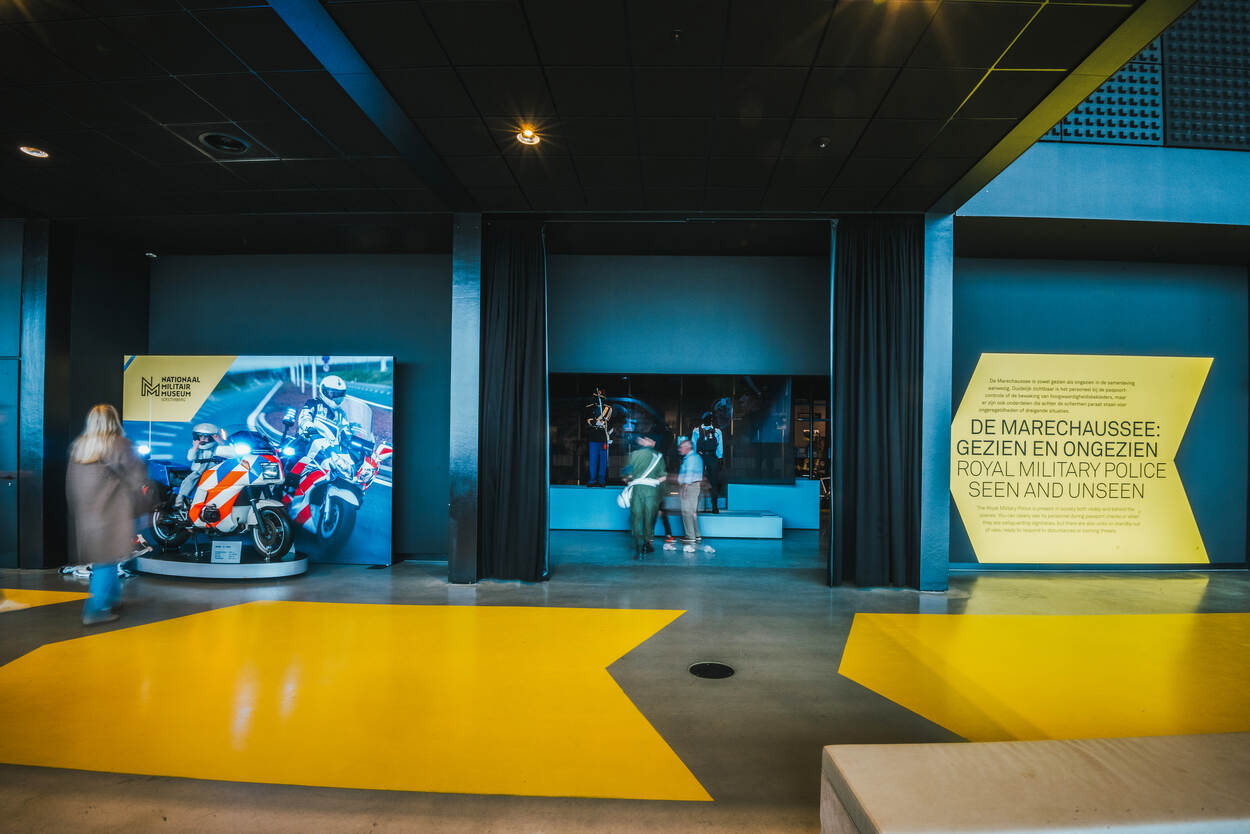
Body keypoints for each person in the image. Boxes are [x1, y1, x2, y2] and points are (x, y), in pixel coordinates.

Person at [66, 404, 147, 625]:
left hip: (88, 515)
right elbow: (137, 479)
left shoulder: (80, 446)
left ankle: (112, 598)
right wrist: (143, 506)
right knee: (106, 561)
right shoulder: (119, 444)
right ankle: (96, 610)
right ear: (114, 421)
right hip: (111, 514)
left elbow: (72, 484)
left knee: (106, 558)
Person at [622, 433, 665, 560]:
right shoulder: (658, 456)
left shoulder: (634, 455)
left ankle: (637, 545)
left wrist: (632, 479)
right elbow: (663, 477)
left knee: (636, 517)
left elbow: (627, 477)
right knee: (649, 517)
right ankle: (647, 544)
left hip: (637, 490)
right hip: (651, 491)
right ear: (652, 443)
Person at [174, 422, 232, 514]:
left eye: (206, 437)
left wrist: (220, 442)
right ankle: (180, 497)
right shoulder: (196, 449)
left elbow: (228, 453)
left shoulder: (216, 448)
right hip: (198, 471)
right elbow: (190, 458)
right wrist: (195, 448)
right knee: (190, 479)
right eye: (201, 436)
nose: (204, 439)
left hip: (213, 471)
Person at [677, 438, 714, 554]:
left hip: (689, 486)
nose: (680, 449)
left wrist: (685, 488)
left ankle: (690, 536)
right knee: (692, 512)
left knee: (686, 511)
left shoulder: (691, 458)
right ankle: (696, 535)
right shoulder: (696, 457)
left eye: (681, 447)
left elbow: (689, 474)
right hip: (695, 486)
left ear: (688, 448)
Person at [691, 413, 724, 513]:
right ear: (703, 419)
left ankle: (714, 506)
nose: (709, 419)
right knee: (697, 481)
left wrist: (720, 458)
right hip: (700, 457)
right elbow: (693, 445)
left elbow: (720, 445)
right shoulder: (696, 431)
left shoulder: (717, 431)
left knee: (714, 481)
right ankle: (695, 505)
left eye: (710, 418)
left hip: (712, 457)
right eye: (707, 418)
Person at [584, 386, 613, 487]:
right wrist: (596, 422)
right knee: (593, 460)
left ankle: (601, 480)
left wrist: (598, 422)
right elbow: (588, 420)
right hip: (593, 437)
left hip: (603, 437)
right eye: (597, 397)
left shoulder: (608, 408)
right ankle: (592, 480)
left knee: (603, 460)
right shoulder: (590, 407)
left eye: (600, 398)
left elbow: (607, 421)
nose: (598, 399)